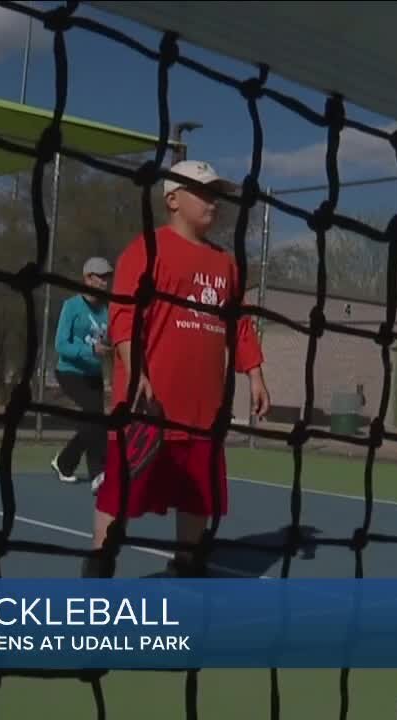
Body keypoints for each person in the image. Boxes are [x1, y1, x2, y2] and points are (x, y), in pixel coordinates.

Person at [84, 160, 271, 578]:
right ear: (172, 199)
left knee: (197, 500)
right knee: (120, 495)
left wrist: (255, 373)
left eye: (215, 193)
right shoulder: (145, 250)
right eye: (202, 191)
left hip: (203, 412)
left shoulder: (226, 264)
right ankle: (98, 572)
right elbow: (124, 317)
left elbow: (238, 324)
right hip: (148, 410)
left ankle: (186, 567)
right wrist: (136, 373)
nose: (213, 202)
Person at [50, 256, 113, 490]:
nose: (105, 281)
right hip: (69, 372)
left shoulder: (107, 309)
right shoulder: (72, 306)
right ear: (87, 278)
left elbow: (109, 340)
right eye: (100, 276)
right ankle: (98, 473)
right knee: (95, 417)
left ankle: (67, 464)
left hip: (93, 375)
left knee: (96, 423)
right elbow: (61, 345)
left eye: (108, 276)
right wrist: (89, 349)